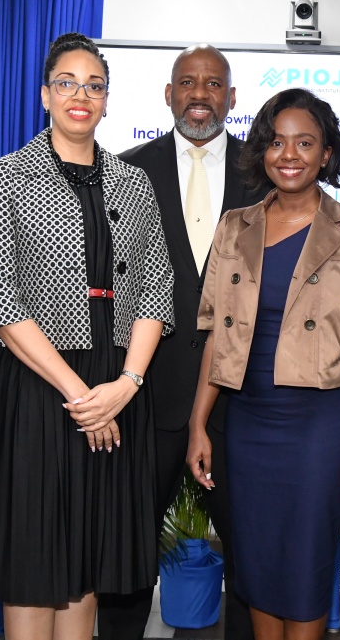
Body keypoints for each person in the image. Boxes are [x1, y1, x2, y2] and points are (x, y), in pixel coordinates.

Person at [0, 33, 175, 640]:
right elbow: (1, 302)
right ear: (44, 95)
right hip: (38, 388)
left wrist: (126, 386)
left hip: (118, 381)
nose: (80, 95)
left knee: (88, 558)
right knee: (34, 559)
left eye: (94, 85)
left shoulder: (132, 184)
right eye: (67, 83)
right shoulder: (6, 178)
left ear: (106, 101)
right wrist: (85, 397)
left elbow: (156, 289)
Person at [187, 88, 340, 640]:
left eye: (305, 142)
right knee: (256, 565)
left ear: (326, 153)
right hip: (248, 422)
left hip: (321, 426)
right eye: (277, 141)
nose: (289, 154)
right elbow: (213, 334)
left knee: (304, 565)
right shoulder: (234, 226)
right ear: (261, 151)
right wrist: (200, 423)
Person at [102, 44, 263, 640]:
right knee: (127, 553)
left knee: (251, 555)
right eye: (187, 83)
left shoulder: (269, 170)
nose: (201, 94)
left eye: (214, 84)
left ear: (232, 97)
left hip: (243, 400)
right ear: (168, 95)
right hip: (146, 400)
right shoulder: (124, 170)